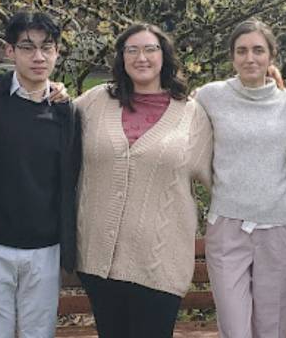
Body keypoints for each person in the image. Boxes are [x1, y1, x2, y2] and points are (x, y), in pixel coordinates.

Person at [73, 23, 213, 338]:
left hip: (160, 261)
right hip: (99, 260)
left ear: (164, 56)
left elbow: (219, 177)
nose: (142, 57)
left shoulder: (191, 114)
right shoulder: (94, 102)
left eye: (150, 49)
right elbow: (49, 129)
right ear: (121, 58)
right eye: (132, 50)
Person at [0, 11, 81, 338]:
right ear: (9, 51)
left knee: (39, 332)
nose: (38, 56)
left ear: (57, 51)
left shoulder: (67, 112)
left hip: (46, 248)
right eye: (27, 47)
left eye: (47, 47)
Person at [194, 19, 286, 338]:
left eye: (258, 50)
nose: (250, 58)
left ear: (271, 55)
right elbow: (181, 128)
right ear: (232, 57)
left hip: (277, 227)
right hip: (227, 226)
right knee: (234, 326)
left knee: (272, 326)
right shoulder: (210, 96)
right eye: (241, 51)